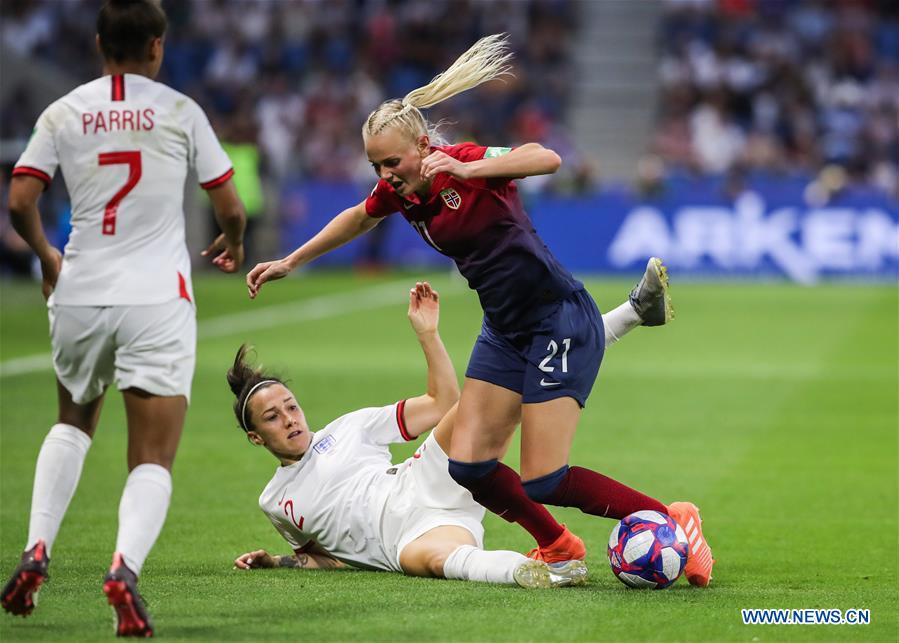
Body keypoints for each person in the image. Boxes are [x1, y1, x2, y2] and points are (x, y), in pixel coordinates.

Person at [245, 34, 714, 587]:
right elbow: (358, 216)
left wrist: (471, 172)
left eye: (392, 161)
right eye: (376, 165)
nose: (385, 175)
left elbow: (549, 158)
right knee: (469, 467)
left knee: (544, 478)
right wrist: (293, 260)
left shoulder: (465, 160)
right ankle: (560, 546)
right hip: (504, 330)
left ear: (422, 145)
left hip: (555, 317)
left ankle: (672, 521)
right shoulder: (399, 191)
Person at [1, 0, 246, 637]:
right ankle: (123, 569)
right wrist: (235, 242)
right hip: (155, 297)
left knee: (73, 421)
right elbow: (230, 205)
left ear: (99, 43)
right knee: (152, 455)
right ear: (158, 47)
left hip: (81, 289)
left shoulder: (64, 110)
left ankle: (36, 551)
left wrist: (47, 256)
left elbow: (21, 198)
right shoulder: (179, 111)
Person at [230, 281, 643, 586]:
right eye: (272, 417)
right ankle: (542, 572)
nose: (289, 419)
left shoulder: (346, 428)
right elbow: (324, 559)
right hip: (408, 538)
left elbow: (441, 403)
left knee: (488, 397)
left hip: (423, 477)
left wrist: (427, 334)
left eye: (290, 406)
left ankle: (631, 313)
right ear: (256, 437)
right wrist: (275, 561)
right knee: (432, 561)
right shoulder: (274, 502)